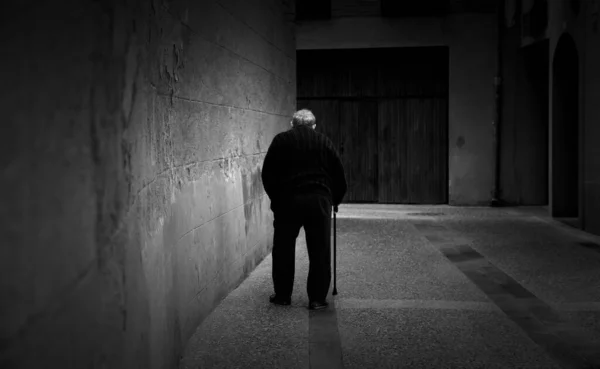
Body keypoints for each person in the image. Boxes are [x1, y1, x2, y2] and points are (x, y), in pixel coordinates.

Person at [261, 109, 347, 310]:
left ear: (292, 123)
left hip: (287, 201)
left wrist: (277, 199)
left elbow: (267, 173)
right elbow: (338, 174)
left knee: (283, 248)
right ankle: (317, 299)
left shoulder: (280, 141)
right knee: (319, 250)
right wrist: (335, 199)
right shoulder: (324, 142)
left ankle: (283, 295)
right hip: (318, 201)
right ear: (314, 126)